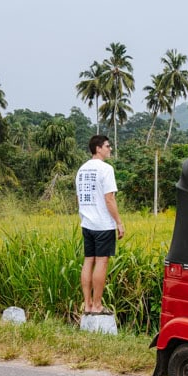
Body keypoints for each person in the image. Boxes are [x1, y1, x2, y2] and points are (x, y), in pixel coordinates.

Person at [75, 135, 125, 315]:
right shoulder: (106, 169)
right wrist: (119, 222)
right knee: (102, 262)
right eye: (107, 146)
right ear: (98, 148)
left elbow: (79, 197)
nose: (109, 149)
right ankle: (97, 306)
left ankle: (87, 304)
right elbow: (109, 198)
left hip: (87, 222)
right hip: (103, 224)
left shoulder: (82, 170)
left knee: (89, 260)